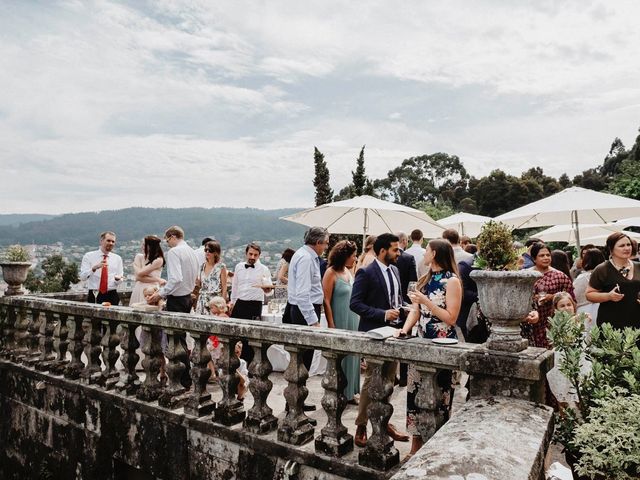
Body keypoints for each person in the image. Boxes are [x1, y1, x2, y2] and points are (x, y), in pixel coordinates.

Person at [394, 238, 462, 457]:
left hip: (442, 344)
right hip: (421, 341)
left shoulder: (452, 282)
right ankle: (415, 448)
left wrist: (426, 302)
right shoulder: (424, 279)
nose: (424, 253)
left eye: (427, 251)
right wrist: (404, 330)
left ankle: (435, 447)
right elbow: (415, 311)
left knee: (439, 395)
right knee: (415, 395)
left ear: (434, 254)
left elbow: (451, 318)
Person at [350, 233, 409, 448]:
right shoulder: (366, 272)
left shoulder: (395, 270)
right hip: (374, 334)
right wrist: (383, 314)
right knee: (371, 382)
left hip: (395, 334)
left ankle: (384, 422)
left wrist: (405, 310)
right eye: (395, 249)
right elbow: (355, 304)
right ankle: (361, 425)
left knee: (389, 381)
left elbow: (397, 299)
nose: (399, 252)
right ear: (383, 251)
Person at [148, 226, 199, 389]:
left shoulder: (175, 252)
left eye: (167, 239)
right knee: (182, 340)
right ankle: (186, 378)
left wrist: (160, 294)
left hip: (176, 300)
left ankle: (181, 379)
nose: (167, 243)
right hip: (187, 298)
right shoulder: (192, 251)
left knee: (175, 341)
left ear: (172, 236)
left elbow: (176, 278)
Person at [322, 240, 360, 403]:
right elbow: (326, 300)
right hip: (339, 318)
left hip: (353, 318)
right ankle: (339, 391)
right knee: (341, 358)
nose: (355, 259)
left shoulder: (348, 272)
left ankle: (351, 392)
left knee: (353, 355)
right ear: (344, 256)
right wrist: (331, 323)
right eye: (353, 256)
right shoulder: (331, 272)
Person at [524, 243, 575, 349]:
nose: (546, 258)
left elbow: (571, 298)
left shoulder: (559, 276)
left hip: (552, 321)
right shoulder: (526, 275)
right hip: (530, 321)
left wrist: (552, 297)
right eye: (542, 256)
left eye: (548, 255)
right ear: (534, 258)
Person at [229, 242, 273, 365]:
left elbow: (269, 292)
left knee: (250, 338)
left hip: (255, 305)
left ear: (259, 255)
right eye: (250, 254)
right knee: (233, 335)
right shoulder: (238, 267)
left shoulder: (264, 269)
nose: (253, 257)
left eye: (256, 255)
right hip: (240, 304)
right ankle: (233, 364)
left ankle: (248, 367)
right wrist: (232, 302)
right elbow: (235, 286)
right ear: (246, 253)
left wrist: (267, 290)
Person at [586, 232, 640, 330]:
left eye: (629, 244)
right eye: (622, 245)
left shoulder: (638, 266)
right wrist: (608, 296)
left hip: (637, 320)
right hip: (612, 323)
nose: (627, 248)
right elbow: (589, 294)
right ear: (611, 249)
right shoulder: (602, 269)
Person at [80, 231, 124, 305]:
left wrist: (118, 279)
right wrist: (93, 268)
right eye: (108, 240)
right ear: (101, 241)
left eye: (113, 241)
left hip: (112, 294)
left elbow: (120, 278)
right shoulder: (89, 256)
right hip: (95, 294)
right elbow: (82, 277)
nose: (111, 243)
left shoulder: (117, 258)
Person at [573, 248, 605, 332]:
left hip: (584, 310)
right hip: (602, 309)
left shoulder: (582, 278)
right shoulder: (605, 276)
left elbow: (575, 296)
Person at [194, 241, 227, 315]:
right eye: (206, 250)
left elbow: (224, 287)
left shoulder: (221, 267)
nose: (207, 252)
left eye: (210, 250)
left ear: (216, 252)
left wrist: (222, 305)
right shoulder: (202, 266)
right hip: (202, 301)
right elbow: (201, 285)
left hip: (215, 303)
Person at [130, 235, 166, 305]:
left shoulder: (158, 260)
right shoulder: (139, 257)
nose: (142, 247)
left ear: (151, 246)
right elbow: (138, 277)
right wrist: (157, 279)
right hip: (138, 288)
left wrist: (135, 266)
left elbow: (140, 273)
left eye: (144, 245)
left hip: (151, 290)